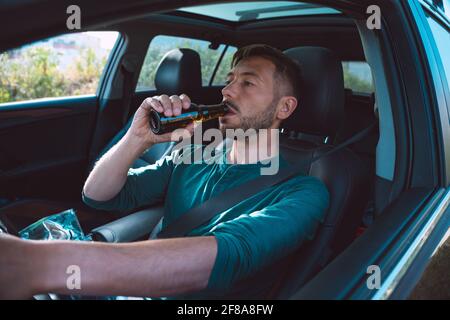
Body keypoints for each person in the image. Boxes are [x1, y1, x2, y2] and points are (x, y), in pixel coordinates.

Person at [0, 44, 329, 300]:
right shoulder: (193, 154)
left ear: (284, 107)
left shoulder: (303, 192)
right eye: (229, 80)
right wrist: (136, 139)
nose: (228, 91)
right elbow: (98, 196)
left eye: (247, 82)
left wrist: (40, 263)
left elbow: (229, 256)